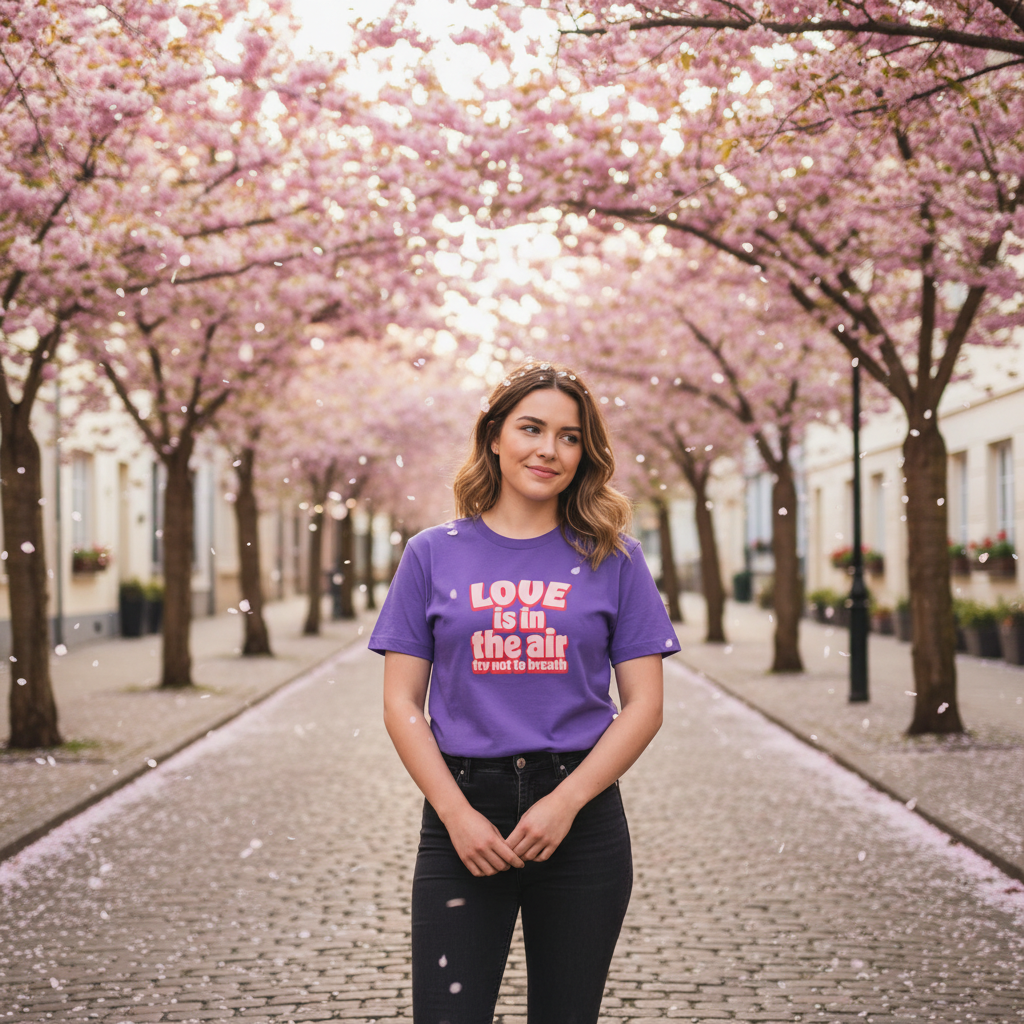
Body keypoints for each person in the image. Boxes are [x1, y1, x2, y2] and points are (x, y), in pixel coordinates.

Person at [370, 361, 680, 1024]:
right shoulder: (431, 554)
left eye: (570, 437)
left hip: (581, 821)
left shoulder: (614, 557)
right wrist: (456, 815)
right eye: (531, 428)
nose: (549, 449)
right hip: (461, 815)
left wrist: (564, 804)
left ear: (585, 453)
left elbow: (645, 706)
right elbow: (402, 704)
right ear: (493, 437)